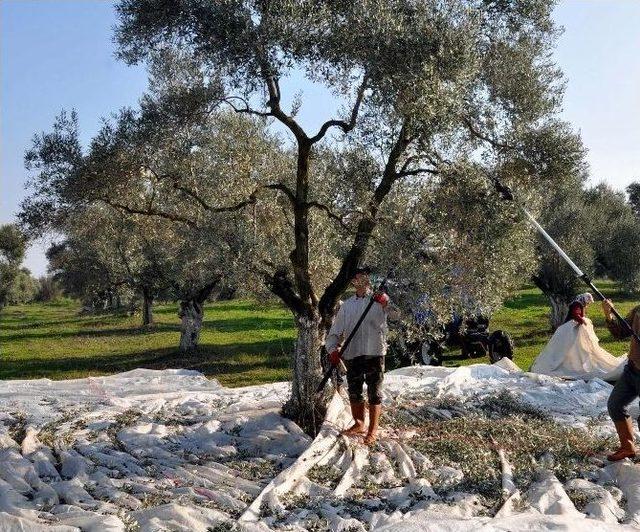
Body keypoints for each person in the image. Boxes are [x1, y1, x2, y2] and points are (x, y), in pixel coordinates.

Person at [325, 267, 395, 445]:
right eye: (355, 277)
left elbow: (397, 315)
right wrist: (332, 350)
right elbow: (335, 331)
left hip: (374, 351)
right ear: (353, 281)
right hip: (352, 353)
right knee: (354, 390)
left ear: (368, 279)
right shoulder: (347, 306)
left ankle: (373, 430)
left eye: (362, 276)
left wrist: (386, 302)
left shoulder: (379, 300)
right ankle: (359, 423)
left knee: (374, 391)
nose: (359, 279)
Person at [530, 293, 625, 381]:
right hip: (570, 328)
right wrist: (582, 321)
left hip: (573, 327)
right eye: (588, 303)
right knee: (569, 346)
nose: (588, 305)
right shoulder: (577, 304)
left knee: (574, 347)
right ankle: (568, 364)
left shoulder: (578, 303)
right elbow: (575, 314)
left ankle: (570, 363)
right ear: (585, 300)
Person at [603, 299, 640, 461]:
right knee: (615, 404)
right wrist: (608, 313)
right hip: (631, 370)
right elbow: (619, 332)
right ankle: (627, 448)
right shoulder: (638, 310)